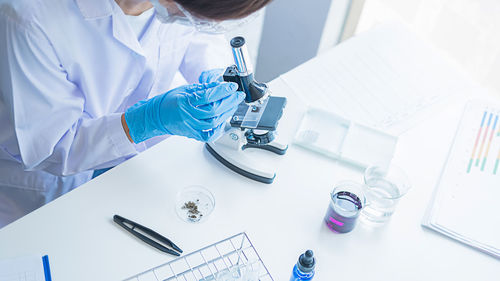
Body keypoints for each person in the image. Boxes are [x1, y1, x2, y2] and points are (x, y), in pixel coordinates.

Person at [0, 0, 270, 228]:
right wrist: (147, 120)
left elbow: (198, 31)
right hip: (46, 186)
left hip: (133, 163)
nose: (195, 20)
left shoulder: (180, 7)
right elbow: (53, 146)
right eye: (190, 14)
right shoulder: (28, 16)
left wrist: (218, 73)